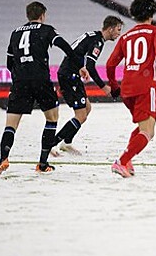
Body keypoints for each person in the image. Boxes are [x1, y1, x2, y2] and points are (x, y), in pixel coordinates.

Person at [0, 1, 89, 175]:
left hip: (20, 82)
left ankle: (3, 159)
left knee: (11, 125)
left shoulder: (15, 33)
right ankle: (42, 163)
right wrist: (79, 64)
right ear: (42, 15)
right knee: (51, 119)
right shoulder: (46, 30)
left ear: (28, 16)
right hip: (41, 80)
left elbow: (9, 62)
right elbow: (65, 46)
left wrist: (20, 75)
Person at [106, 0, 156, 178]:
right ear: (152, 13)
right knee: (148, 131)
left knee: (142, 126)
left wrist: (114, 85)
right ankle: (122, 161)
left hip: (127, 88)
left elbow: (110, 64)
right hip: (146, 86)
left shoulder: (126, 37)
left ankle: (127, 162)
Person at [51, 16, 123, 156]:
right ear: (110, 28)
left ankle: (66, 143)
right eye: (118, 30)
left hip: (72, 74)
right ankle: (52, 144)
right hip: (69, 76)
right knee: (81, 115)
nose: (119, 34)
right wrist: (103, 87)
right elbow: (90, 66)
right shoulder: (97, 42)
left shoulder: (93, 36)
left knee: (87, 108)